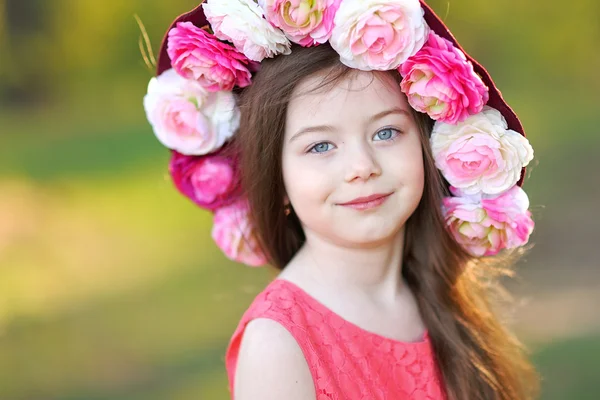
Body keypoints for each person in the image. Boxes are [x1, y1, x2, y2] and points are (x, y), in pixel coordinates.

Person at [143, 1, 539, 399]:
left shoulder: (440, 292)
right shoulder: (277, 347)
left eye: (386, 133)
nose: (361, 167)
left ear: (427, 146)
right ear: (276, 177)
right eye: (320, 146)